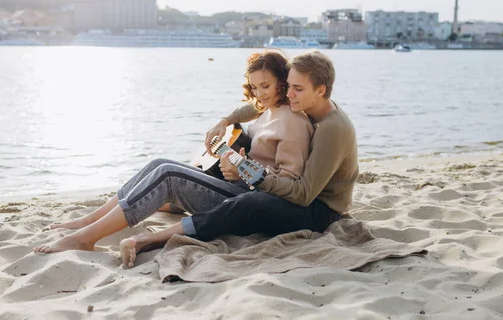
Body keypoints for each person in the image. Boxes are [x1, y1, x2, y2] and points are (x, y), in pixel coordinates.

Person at [33, 50, 314, 265]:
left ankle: (85, 238)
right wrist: (224, 126)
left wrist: (243, 172)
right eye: (254, 87)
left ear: (282, 82)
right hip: (238, 189)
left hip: (244, 204)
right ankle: (88, 222)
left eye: (265, 86)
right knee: (158, 163)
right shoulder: (266, 110)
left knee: (168, 174)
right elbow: (248, 111)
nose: (259, 94)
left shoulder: (292, 122)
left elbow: (289, 183)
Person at [118, 50, 359, 267]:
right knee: (238, 144)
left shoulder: (332, 128)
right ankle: (169, 197)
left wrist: (251, 174)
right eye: (288, 86)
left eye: (297, 89)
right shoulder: (308, 103)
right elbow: (257, 106)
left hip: (322, 212)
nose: (289, 94)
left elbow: (304, 194)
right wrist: (226, 121)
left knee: (250, 203)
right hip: (301, 196)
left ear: (320, 90)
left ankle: (151, 239)